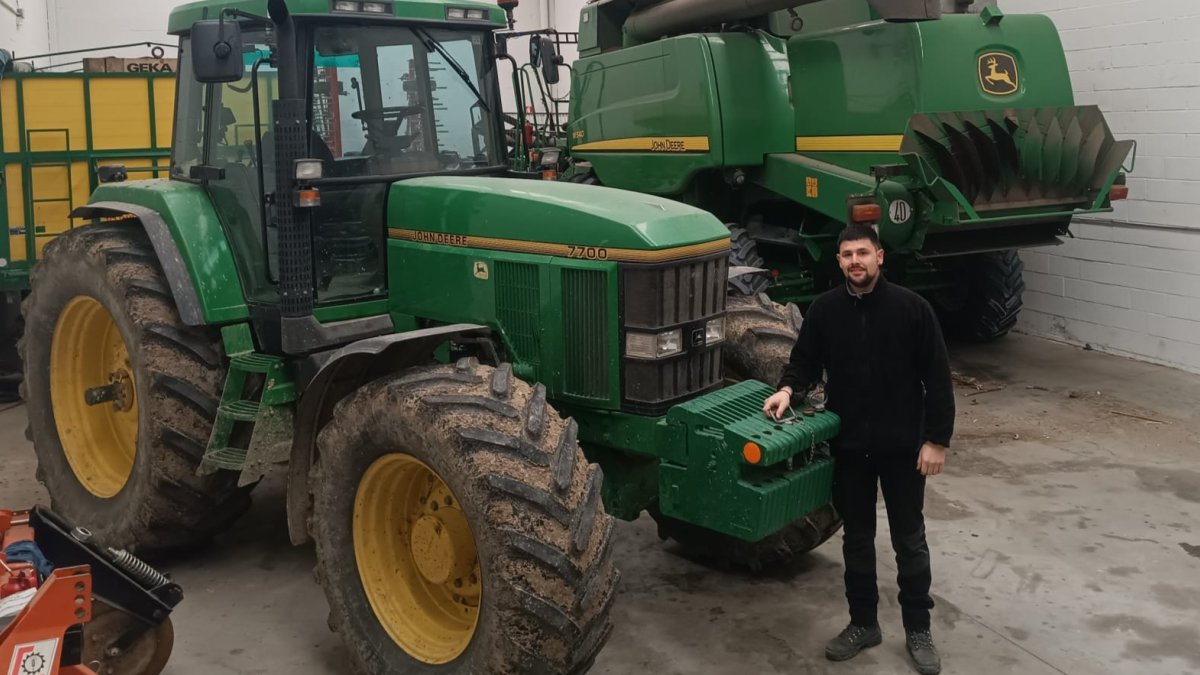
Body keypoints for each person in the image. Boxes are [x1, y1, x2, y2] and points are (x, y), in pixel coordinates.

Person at [762, 223, 954, 675]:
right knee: (857, 540)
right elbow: (804, 361)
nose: (855, 262)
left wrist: (936, 440)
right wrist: (787, 391)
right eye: (847, 254)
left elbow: (938, 378)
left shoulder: (913, 309)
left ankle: (918, 629)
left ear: (880, 257)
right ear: (839, 262)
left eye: (862, 253)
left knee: (910, 541)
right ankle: (863, 623)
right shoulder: (826, 311)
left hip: (904, 448)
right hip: (851, 447)